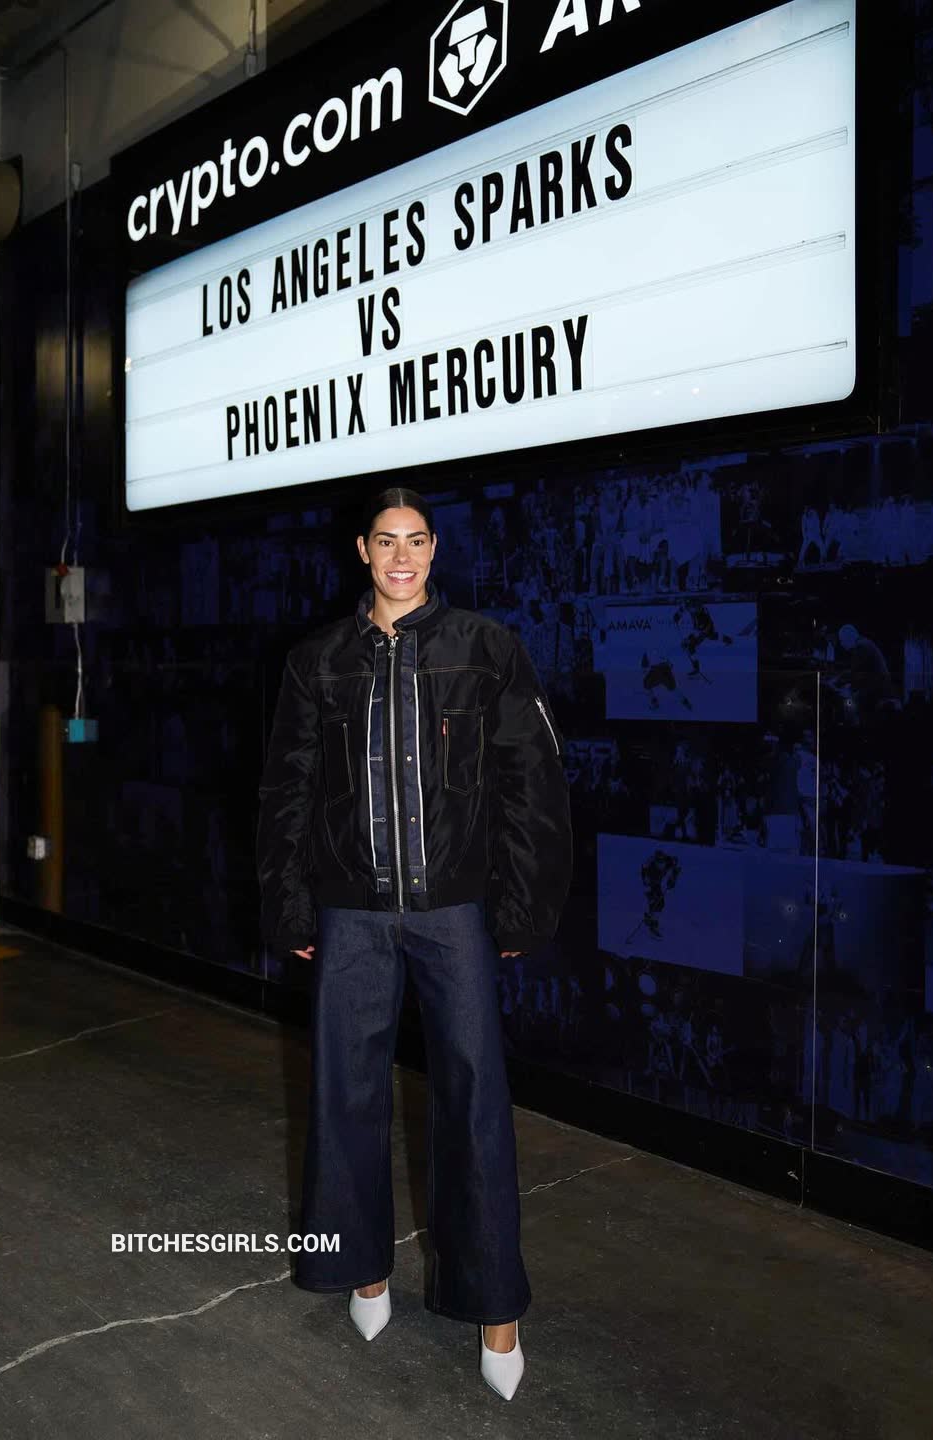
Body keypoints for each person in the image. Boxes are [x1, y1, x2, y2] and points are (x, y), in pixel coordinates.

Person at [256, 486, 573, 1401]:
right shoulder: (317, 661)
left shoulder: (487, 649)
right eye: (386, 541)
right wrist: (290, 908)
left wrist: (522, 908)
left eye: (418, 540)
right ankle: (364, 1270)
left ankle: (496, 1306)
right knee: (344, 1096)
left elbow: (532, 785)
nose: (403, 556)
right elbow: (286, 790)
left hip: (453, 915)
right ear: (362, 550)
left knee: (475, 1105)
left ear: (435, 550)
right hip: (350, 915)